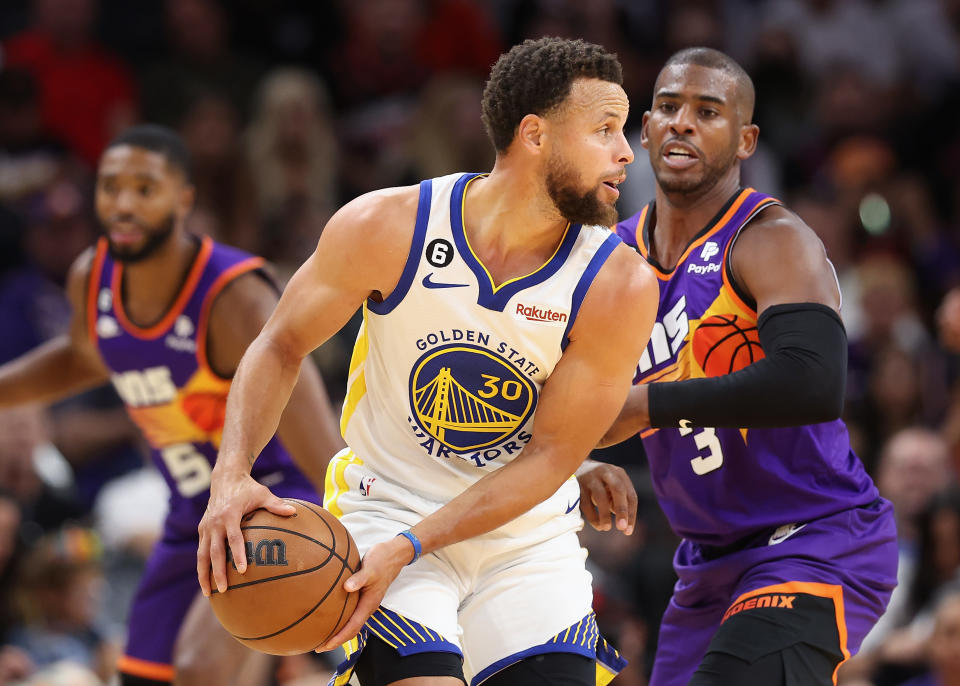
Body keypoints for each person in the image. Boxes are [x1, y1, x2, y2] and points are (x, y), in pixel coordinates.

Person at [197, 37, 658, 686]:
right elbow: (278, 343)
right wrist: (232, 474)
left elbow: (548, 458)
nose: (625, 153)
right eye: (604, 130)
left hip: (522, 544)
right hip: (387, 510)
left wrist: (575, 458)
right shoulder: (388, 226)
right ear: (534, 136)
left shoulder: (619, 282)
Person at [0, 124, 346, 686]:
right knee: (142, 677)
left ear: (183, 199)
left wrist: (358, 532)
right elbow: (80, 358)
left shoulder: (234, 297)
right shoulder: (93, 281)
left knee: (201, 670)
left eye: (145, 187)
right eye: (111, 187)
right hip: (193, 514)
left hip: (273, 500)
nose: (125, 203)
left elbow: (323, 446)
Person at [603, 47, 899, 686]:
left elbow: (813, 380)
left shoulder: (771, 238)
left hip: (815, 539)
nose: (682, 123)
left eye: (707, 112)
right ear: (646, 128)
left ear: (745, 141)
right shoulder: (610, 258)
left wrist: (646, 405)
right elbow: (562, 392)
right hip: (707, 565)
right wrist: (582, 459)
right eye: (668, 107)